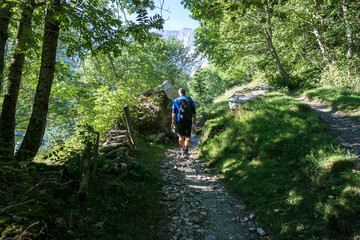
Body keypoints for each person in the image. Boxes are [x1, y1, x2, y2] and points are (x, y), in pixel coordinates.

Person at [171, 88, 196, 156]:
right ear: (185, 93)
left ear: (179, 93)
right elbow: (194, 111)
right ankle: (186, 149)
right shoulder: (190, 99)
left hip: (179, 120)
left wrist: (173, 122)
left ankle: (182, 150)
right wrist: (194, 120)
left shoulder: (176, 100)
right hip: (189, 119)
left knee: (180, 136)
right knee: (188, 136)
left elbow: (174, 113)